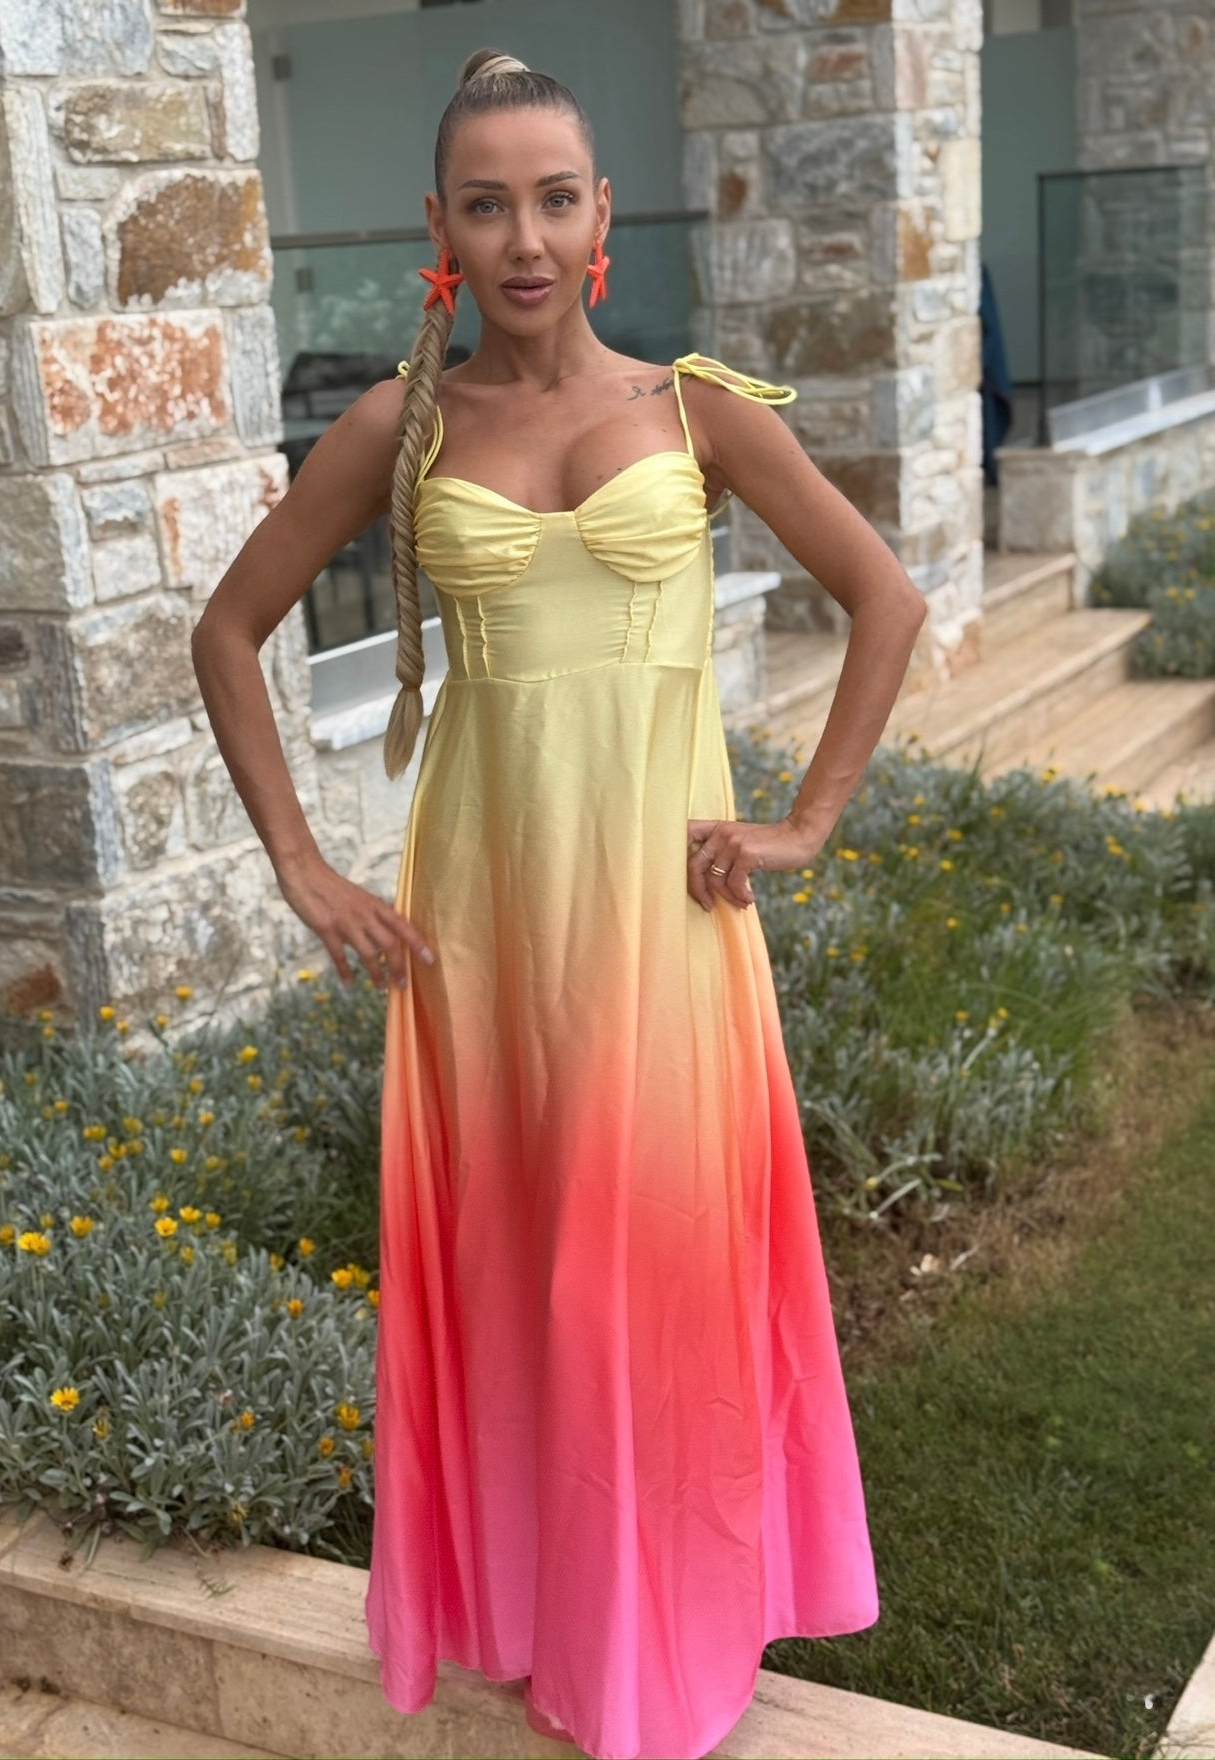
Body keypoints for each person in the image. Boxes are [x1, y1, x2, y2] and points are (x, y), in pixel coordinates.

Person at [191, 45, 928, 1760]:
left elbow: (883, 599)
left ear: (603, 216)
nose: (522, 236)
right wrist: (302, 865)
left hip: (661, 917)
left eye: (552, 198)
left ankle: (666, 1639)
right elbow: (227, 630)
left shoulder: (695, 409)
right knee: (530, 1274)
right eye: (485, 203)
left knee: (652, 1269)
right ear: (438, 227)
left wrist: (806, 823)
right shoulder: (405, 427)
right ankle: (549, 1617)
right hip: (487, 927)